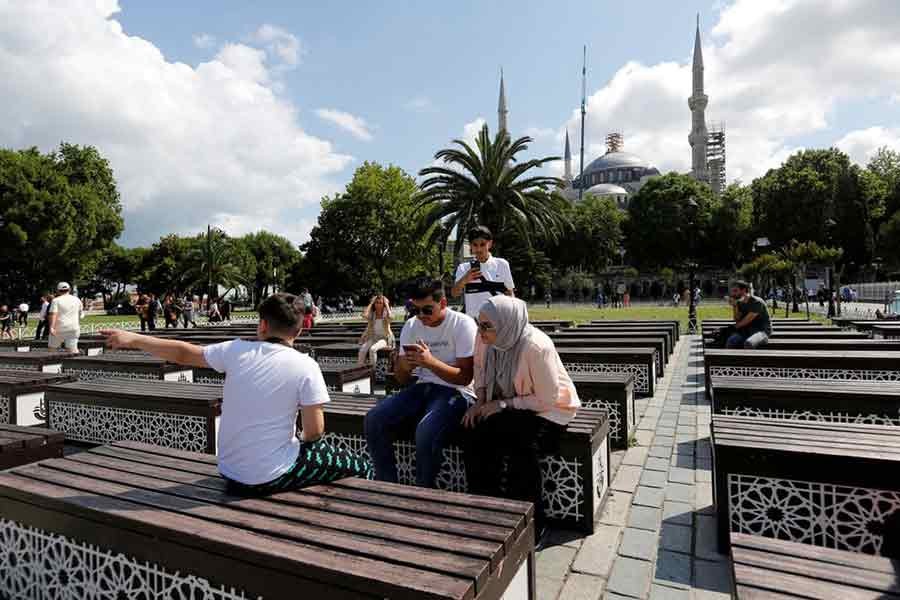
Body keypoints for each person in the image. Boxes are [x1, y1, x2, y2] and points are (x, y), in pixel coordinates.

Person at [100, 293, 372, 494]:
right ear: (300, 330)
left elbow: (182, 352)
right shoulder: (306, 365)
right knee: (358, 465)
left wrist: (133, 338)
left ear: (262, 325)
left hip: (230, 472)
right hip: (269, 478)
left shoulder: (235, 350)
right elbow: (314, 431)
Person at [462, 296, 580, 535]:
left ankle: (533, 524)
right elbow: (481, 371)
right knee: (473, 433)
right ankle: (486, 509)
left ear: (506, 324)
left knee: (520, 446)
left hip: (549, 410)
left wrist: (503, 404)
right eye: (478, 323)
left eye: (486, 326)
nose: (480, 330)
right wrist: (480, 403)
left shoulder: (536, 347)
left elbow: (546, 399)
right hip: (508, 404)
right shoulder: (486, 338)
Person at [364, 278, 476, 488]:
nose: (421, 316)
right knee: (373, 419)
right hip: (422, 388)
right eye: (415, 310)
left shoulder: (462, 324)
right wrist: (403, 366)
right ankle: (388, 487)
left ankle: (423, 492)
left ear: (443, 303)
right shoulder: (412, 325)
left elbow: (465, 378)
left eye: (427, 310)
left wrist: (431, 362)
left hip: (457, 392)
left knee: (425, 431)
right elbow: (402, 379)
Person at [451, 226, 515, 318]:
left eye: (482, 244)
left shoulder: (502, 264)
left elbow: (509, 293)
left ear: (490, 244)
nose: (479, 249)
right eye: (475, 245)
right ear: (470, 245)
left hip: (498, 321)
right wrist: (465, 279)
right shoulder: (463, 268)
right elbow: (454, 293)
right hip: (473, 324)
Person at [726, 280, 772, 349]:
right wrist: (734, 306)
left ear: (743, 290)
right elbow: (737, 319)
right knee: (730, 342)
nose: (733, 294)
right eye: (732, 291)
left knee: (749, 343)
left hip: (762, 331)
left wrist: (732, 328)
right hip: (746, 331)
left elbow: (745, 321)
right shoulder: (739, 303)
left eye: (735, 291)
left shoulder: (756, 302)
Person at [357, 295, 395, 366]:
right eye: (376, 303)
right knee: (362, 350)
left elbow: (391, 317)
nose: (378, 305)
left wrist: (386, 304)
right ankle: (361, 371)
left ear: (383, 304)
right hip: (373, 338)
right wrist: (371, 303)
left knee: (372, 349)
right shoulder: (373, 315)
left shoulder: (385, 314)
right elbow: (364, 315)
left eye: (380, 303)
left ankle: (372, 372)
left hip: (385, 339)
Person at [47, 282, 84, 353]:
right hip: (73, 328)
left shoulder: (56, 300)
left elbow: (53, 314)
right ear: (69, 289)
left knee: (52, 350)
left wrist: (51, 327)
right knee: (73, 350)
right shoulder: (77, 299)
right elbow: (80, 314)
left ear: (58, 290)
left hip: (59, 328)